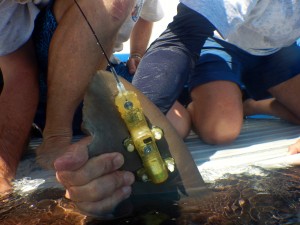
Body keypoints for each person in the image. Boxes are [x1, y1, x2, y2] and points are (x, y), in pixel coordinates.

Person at [0, 0, 137, 216]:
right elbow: (17, 74)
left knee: (176, 121)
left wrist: (137, 53)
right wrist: (2, 172)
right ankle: (56, 135)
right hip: (43, 69)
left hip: (104, 63)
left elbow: (147, 17)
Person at [132, 0, 300, 146]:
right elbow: (183, 35)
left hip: (278, 50)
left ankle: (250, 106)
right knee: (221, 131)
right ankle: (202, 105)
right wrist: (135, 125)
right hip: (218, 41)